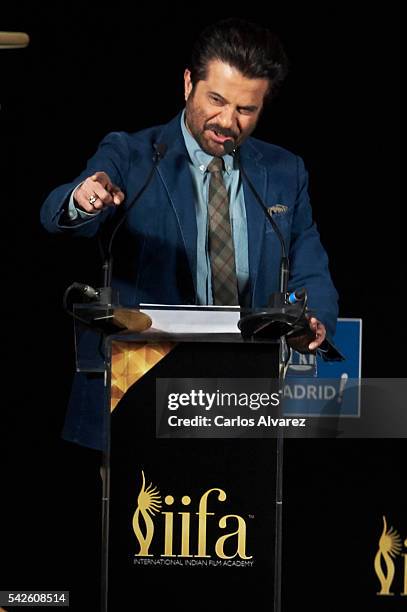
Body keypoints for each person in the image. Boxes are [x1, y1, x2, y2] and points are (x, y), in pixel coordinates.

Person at [40, 18, 338, 450]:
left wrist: (315, 320)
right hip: (137, 385)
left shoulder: (283, 171)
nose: (227, 121)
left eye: (245, 109)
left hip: (243, 394)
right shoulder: (132, 153)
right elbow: (56, 212)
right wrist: (84, 197)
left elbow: (308, 265)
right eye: (216, 100)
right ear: (187, 84)